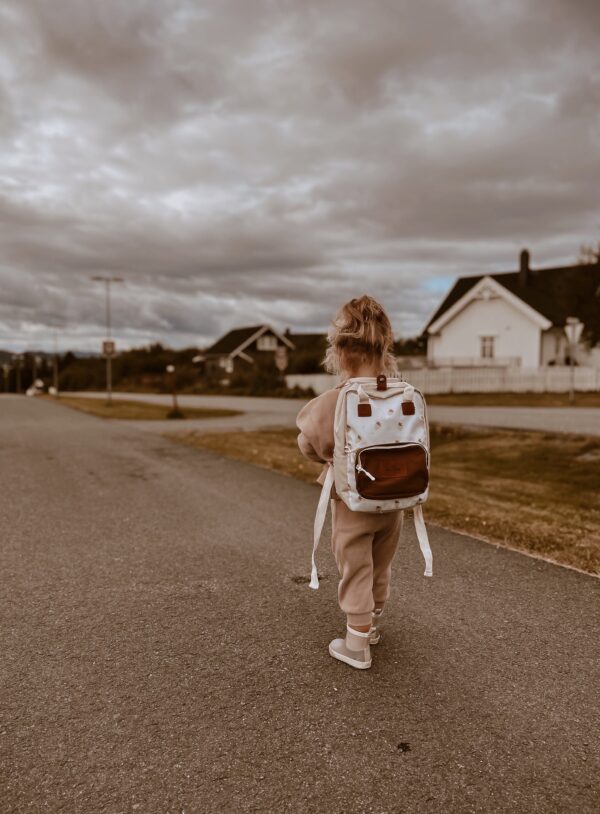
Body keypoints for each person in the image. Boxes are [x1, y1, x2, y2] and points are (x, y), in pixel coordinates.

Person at [296, 295, 403, 670]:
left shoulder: (335, 400)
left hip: (354, 501)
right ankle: (370, 624)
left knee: (355, 565)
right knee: (379, 562)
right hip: (395, 499)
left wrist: (326, 454)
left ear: (340, 352)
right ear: (384, 346)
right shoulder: (400, 392)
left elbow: (307, 443)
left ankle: (357, 644)